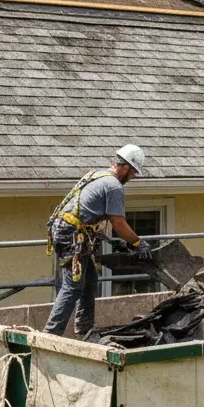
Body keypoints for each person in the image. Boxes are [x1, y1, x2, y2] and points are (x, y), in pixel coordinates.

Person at [43, 145, 152, 338]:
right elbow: (118, 221)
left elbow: (86, 214)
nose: (133, 177)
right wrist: (137, 242)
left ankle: (84, 330)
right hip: (72, 236)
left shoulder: (97, 175)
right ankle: (50, 335)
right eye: (134, 172)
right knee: (72, 286)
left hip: (69, 232)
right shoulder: (114, 186)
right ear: (126, 167)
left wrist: (115, 241)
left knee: (90, 279)